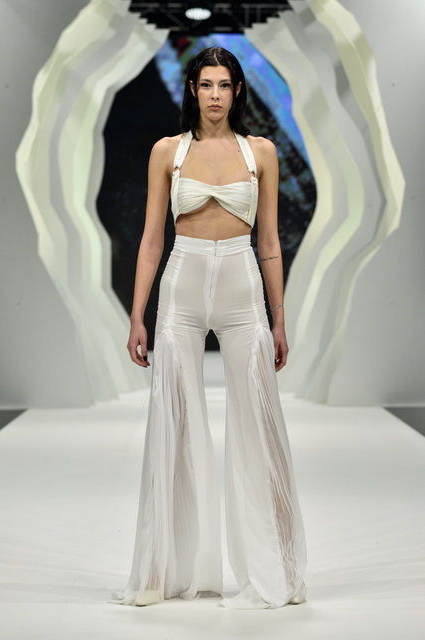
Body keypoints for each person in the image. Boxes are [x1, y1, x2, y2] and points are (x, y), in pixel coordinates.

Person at [115, 47, 307, 610]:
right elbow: (152, 239)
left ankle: (278, 571)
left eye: (225, 85)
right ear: (193, 90)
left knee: (261, 424)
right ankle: (161, 572)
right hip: (182, 284)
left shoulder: (260, 153)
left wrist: (278, 318)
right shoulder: (167, 152)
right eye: (206, 85)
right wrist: (137, 314)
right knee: (172, 422)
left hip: (243, 287)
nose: (215, 95)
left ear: (238, 91)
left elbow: (269, 243)